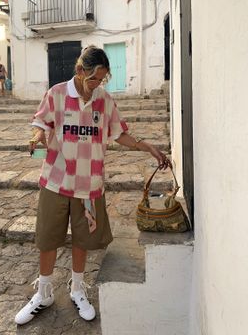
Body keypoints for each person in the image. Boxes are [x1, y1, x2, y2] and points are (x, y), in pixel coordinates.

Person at [15, 45, 171, 325]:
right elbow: (42, 122)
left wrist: (149, 147)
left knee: (83, 240)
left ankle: (77, 289)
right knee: (48, 239)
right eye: (93, 79)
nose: (96, 85)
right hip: (56, 181)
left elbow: (119, 134)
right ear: (79, 71)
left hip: (89, 185)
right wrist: (38, 135)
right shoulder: (57, 94)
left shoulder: (105, 101)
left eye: (102, 79)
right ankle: (44, 293)